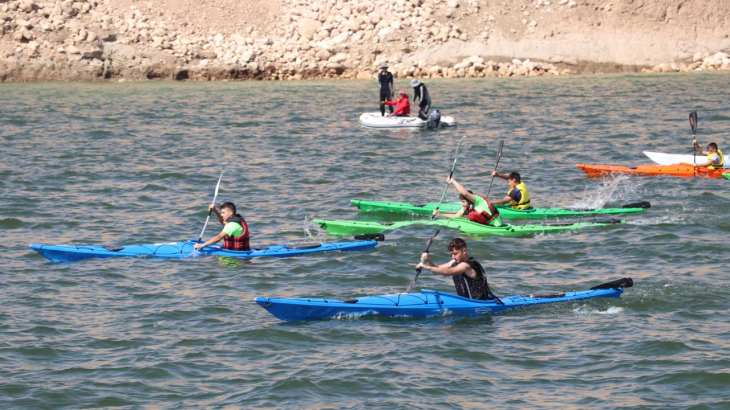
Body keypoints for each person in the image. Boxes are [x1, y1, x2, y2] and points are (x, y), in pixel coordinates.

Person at [415, 238, 498, 300]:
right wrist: (428, 260)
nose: (453, 257)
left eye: (455, 254)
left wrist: (426, 267)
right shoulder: (454, 261)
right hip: (466, 302)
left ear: (464, 251)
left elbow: (449, 272)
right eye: (451, 254)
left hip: (478, 303)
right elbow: (437, 270)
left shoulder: (466, 265)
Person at [432, 177, 503, 227]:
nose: (462, 204)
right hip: (487, 226)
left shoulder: (479, 201)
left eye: (463, 201)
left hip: (496, 226)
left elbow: (465, 193)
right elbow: (456, 216)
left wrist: (453, 181)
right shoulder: (467, 208)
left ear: (469, 200)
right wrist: (439, 213)